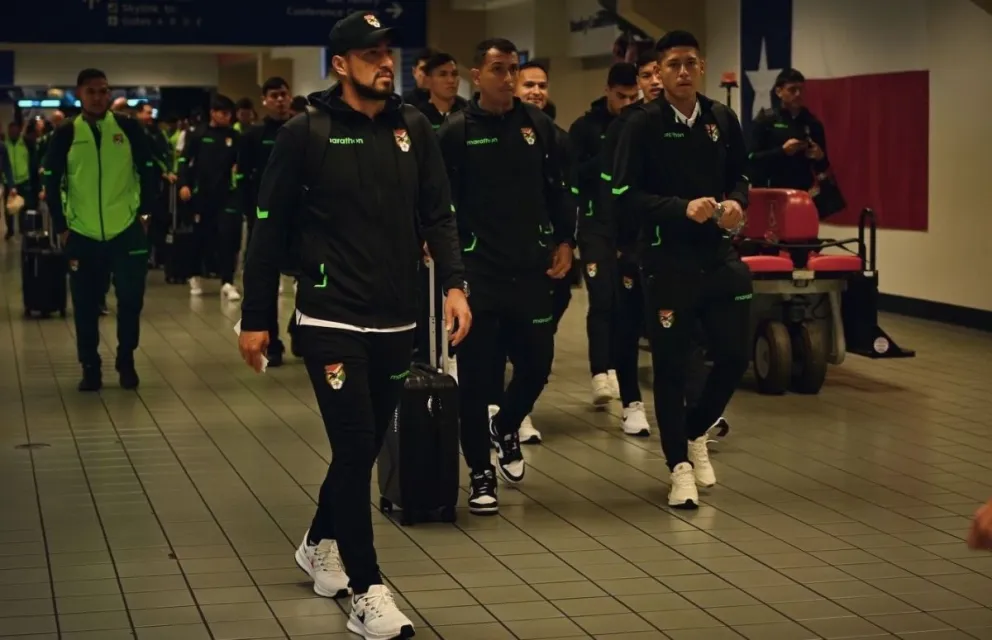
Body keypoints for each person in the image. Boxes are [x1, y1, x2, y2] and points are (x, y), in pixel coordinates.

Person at [238, 11, 470, 640]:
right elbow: (267, 230)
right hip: (329, 315)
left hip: (397, 318)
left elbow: (439, 214)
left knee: (362, 448)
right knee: (353, 444)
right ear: (340, 64)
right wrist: (255, 319)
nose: (384, 61)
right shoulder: (305, 133)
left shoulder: (412, 127)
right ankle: (368, 592)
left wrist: (455, 284)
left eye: (387, 50)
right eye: (370, 53)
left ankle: (319, 541)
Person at [612, 30, 752, 509]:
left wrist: (737, 203)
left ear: (702, 66)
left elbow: (741, 175)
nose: (683, 72)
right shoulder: (642, 124)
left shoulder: (721, 118)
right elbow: (623, 196)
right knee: (670, 368)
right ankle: (679, 468)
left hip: (718, 257)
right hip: (666, 261)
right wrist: (679, 208)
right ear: (659, 72)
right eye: (673, 64)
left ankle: (695, 431)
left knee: (734, 355)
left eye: (690, 62)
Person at [438, 38, 574, 514]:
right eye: (498, 69)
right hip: (479, 273)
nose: (508, 77)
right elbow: (439, 205)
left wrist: (565, 240)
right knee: (477, 381)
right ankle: (480, 473)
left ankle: (507, 424)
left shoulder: (539, 126)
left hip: (531, 270)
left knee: (537, 365)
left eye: (513, 68)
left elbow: (560, 191)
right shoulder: (456, 131)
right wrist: (448, 267)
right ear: (477, 75)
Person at [43, 68, 158, 391]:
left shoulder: (127, 128)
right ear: (80, 94)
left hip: (126, 230)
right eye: (91, 91)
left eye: (103, 90)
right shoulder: (66, 132)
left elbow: (149, 170)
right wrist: (62, 225)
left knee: (131, 299)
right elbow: (51, 181)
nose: (98, 97)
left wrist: (145, 213)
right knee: (85, 304)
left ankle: (126, 359)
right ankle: (90, 365)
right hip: (82, 233)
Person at [570, 63, 649, 431]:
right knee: (601, 298)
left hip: (630, 230)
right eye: (621, 96)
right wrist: (607, 157)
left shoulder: (643, 125)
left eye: (633, 97)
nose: (627, 103)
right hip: (595, 226)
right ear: (607, 91)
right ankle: (599, 372)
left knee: (625, 304)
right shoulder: (585, 128)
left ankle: (619, 370)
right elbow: (574, 176)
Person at [238, 76, 293, 366]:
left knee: (309, 281)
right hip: (264, 219)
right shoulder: (253, 135)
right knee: (266, 282)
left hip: (299, 219)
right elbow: (244, 177)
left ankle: (301, 331)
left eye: (283, 94)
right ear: (265, 100)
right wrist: (253, 213)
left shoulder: (302, 129)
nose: (280, 100)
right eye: (274, 96)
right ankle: (273, 342)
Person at [178, 94, 242, 300]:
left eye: (229, 113)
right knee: (199, 237)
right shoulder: (198, 134)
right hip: (202, 195)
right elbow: (185, 160)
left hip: (226, 195)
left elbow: (241, 161)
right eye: (223, 113)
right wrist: (184, 184)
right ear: (213, 113)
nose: (227, 117)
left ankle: (227, 281)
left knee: (227, 237)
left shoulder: (234, 136)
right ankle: (195, 275)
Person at [748, 68, 830, 189]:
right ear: (779, 92)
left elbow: (823, 167)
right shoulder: (766, 120)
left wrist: (820, 156)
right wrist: (782, 151)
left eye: (801, 90)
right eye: (792, 90)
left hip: (802, 192)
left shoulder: (812, 123)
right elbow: (751, 159)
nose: (798, 94)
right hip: (770, 190)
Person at [135, 102, 176, 268]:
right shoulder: (134, 131)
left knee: (152, 221)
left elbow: (160, 154)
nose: (150, 116)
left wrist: (167, 171)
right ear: (138, 113)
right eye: (147, 113)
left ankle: (152, 256)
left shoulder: (155, 133)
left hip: (152, 185)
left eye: (151, 113)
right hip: (135, 183)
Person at [3, 121, 41, 237]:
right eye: (11, 131)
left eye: (15, 131)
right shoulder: (4, 144)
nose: (13, 133)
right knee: (8, 208)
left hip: (23, 179)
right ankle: (10, 230)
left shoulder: (25, 143)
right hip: (8, 181)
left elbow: (32, 161)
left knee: (23, 207)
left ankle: (22, 229)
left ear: (19, 131)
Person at [418, 52, 467, 129]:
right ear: (428, 80)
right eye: (443, 75)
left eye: (454, 74)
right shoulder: (419, 116)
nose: (451, 80)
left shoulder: (468, 111)